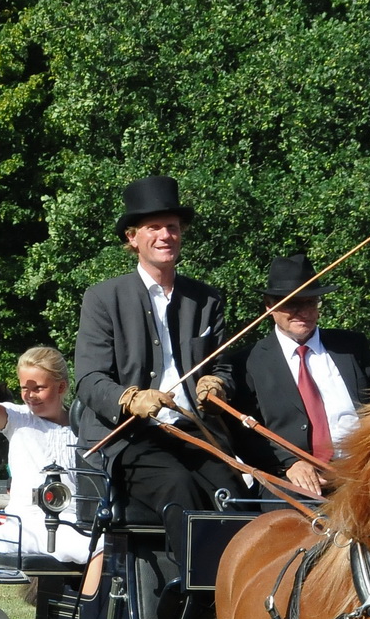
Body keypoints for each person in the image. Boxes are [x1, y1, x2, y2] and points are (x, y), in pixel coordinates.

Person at [73, 175, 243, 527]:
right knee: (178, 487)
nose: (165, 235)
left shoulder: (206, 299)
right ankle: (193, 584)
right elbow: (88, 380)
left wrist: (215, 383)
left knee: (236, 498)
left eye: (172, 227)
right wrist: (130, 399)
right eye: (154, 227)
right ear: (132, 238)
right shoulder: (103, 298)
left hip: (195, 429)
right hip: (129, 436)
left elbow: (223, 366)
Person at [220, 253, 370, 494]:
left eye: (309, 302)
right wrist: (290, 463)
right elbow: (242, 432)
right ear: (269, 306)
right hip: (289, 484)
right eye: (291, 303)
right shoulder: (247, 363)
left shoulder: (350, 347)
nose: (302, 311)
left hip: (361, 478)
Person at [0, 320, 92, 562]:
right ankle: (92, 601)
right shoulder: (18, 419)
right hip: (30, 523)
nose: (30, 395)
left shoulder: (82, 427)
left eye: (38, 388)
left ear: (61, 386)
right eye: (24, 388)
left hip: (77, 520)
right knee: (98, 549)